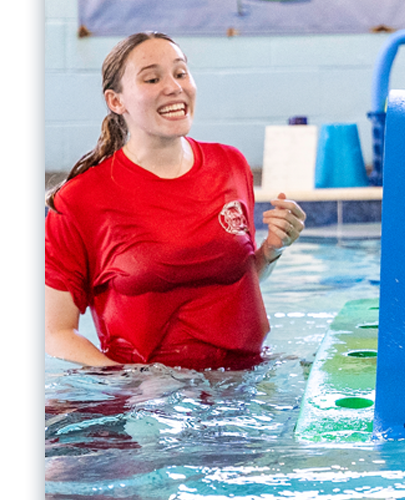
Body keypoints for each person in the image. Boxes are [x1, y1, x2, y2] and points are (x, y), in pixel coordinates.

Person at [45, 32, 306, 370]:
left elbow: (231, 280)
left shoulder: (230, 165)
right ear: (116, 101)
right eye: (152, 78)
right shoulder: (80, 200)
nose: (173, 87)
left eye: (180, 73)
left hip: (245, 379)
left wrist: (272, 250)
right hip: (148, 400)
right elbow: (55, 332)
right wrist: (130, 381)